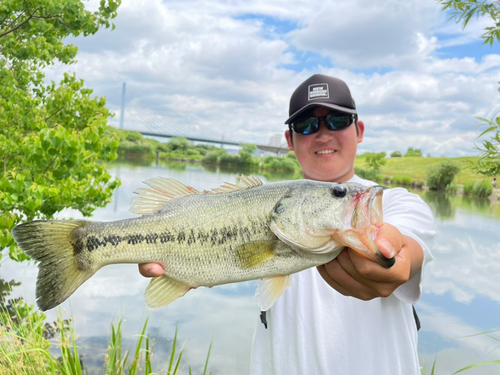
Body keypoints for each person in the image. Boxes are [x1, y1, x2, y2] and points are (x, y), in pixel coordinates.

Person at [138, 74, 436, 374]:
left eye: (336, 121)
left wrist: (392, 260)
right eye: (306, 125)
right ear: (289, 140)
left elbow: (404, 253)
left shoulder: (395, 204)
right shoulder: (266, 205)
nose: (322, 134)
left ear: (358, 130)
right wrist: (184, 268)